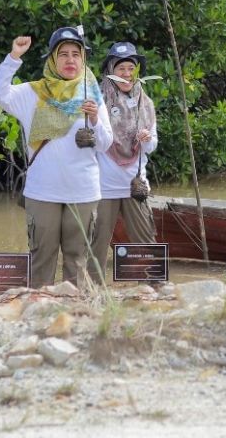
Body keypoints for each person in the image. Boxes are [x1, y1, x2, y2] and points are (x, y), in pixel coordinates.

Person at [0, 27, 112, 288]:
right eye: (63, 54)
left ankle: (76, 319)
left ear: (83, 60)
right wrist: (14, 57)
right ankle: (40, 315)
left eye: (76, 54)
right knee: (41, 261)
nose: (70, 60)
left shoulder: (92, 94)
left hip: (83, 192)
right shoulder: (32, 93)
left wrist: (94, 120)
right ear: (52, 59)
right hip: (43, 192)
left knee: (77, 261)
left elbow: (105, 144)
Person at [87, 41, 158, 283]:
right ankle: (91, 291)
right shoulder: (96, 100)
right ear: (110, 70)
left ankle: (153, 289)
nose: (126, 74)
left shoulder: (145, 103)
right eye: (121, 69)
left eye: (131, 68)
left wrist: (146, 139)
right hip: (103, 186)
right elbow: (92, 141)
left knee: (146, 240)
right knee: (97, 242)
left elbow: (152, 146)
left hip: (135, 185)